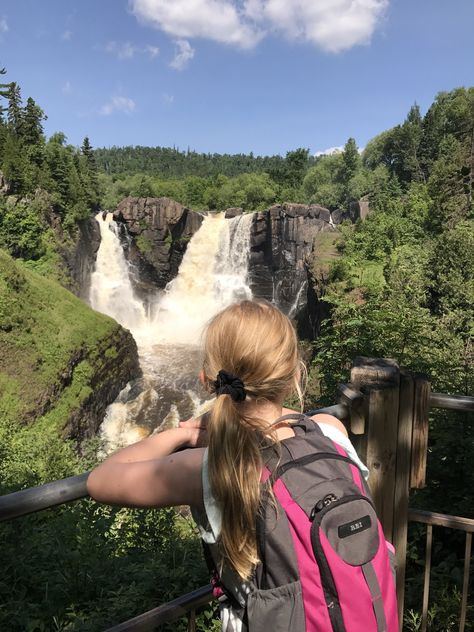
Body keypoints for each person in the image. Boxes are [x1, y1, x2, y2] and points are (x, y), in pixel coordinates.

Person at [87, 299, 369, 628]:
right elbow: (297, 421)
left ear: (207, 380)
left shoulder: (212, 468)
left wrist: (180, 435)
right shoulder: (329, 430)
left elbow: (100, 480)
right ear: (293, 375)